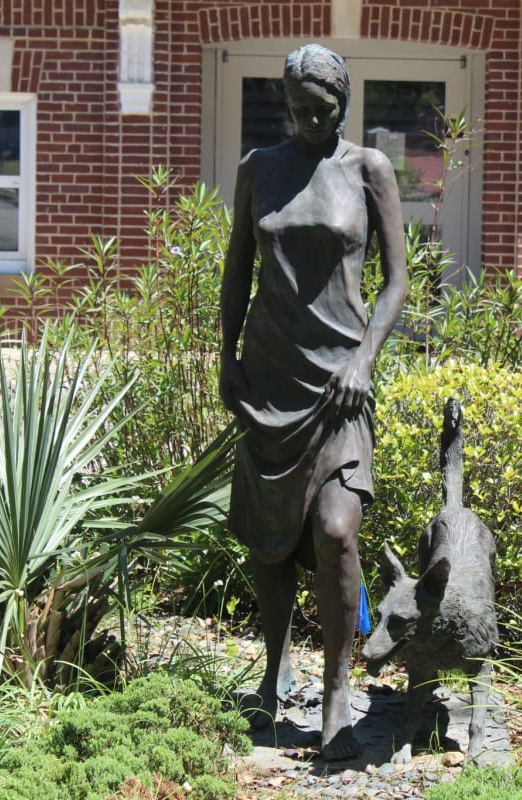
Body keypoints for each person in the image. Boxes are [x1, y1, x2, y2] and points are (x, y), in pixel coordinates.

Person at [219, 43, 408, 761]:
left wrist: (365, 359)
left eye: (319, 109)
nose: (304, 119)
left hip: (339, 387)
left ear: (343, 106)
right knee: (268, 540)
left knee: (335, 530)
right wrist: (226, 357)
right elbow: (236, 268)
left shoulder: (369, 170)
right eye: (295, 108)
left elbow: (396, 283)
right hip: (268, 379)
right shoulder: (259, 170)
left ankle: (335, 688)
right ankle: (272, 669)